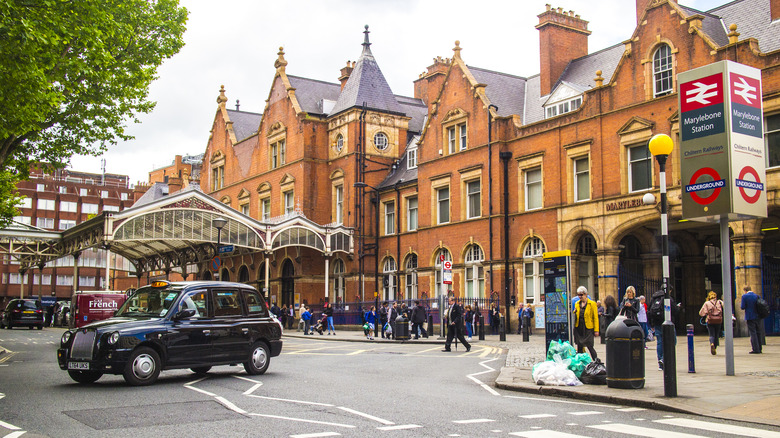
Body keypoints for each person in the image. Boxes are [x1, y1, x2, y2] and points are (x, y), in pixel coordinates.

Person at [648, 288, 678, 370]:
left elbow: (649, 311)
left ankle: (660, 363)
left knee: (660, 342)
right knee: (673, 341)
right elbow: (675, 310)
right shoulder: (668, 298)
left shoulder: (654, 297)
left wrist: (652, 323)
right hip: (668, 322)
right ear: (670, 290)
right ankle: (664, 359)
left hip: (657, 323)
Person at [573, 286, 599, 359]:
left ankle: (596, 361)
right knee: (579, 346)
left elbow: (595, 318)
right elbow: (576, 314)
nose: (580, 296)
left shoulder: (592, 304)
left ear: (586, 294)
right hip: (579, 327)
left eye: (581, 295)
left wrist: (596, 330)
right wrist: (574, 311)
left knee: (590, 346)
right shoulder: (577, 303)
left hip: (588, 328)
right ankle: (580, 364)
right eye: (578, 295)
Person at [699, 291, 724, 355]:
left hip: (710, 320)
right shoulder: (720, 302)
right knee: (716, 334)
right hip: (718, 320)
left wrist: (706, 314)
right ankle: (715, 347)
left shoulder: (707, 303)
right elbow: (725, 308)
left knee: (711, 334)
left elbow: (701, 313)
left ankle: (712, 343)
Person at [740, 285, 762, 354]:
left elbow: (742, 307)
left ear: (745, 290)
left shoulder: (744, 296)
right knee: (758, 332)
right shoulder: (757, 296)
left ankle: (755, 349)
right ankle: (760, 348)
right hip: (757, 316)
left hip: (750, 316)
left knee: (753, 333)